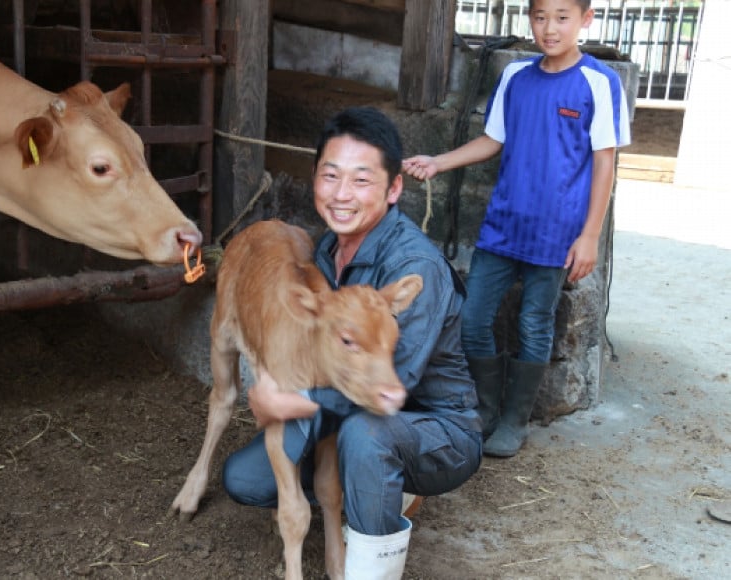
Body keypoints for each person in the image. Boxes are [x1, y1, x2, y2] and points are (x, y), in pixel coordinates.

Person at [222, 106, 482, 579]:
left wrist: (289, 402)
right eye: (330, 176)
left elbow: (388, 386)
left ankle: (371, 562)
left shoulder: (413, 267)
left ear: (394, 188)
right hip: (347, 406)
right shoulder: (327, 249)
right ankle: (360, 485)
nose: (342, 195)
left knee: (365, 435)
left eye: (361, 180)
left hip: (431, 425)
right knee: (245, 479)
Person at [403, 0, 630, 458]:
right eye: (541, 17)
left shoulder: (598, 82)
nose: (550, 28)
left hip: (557, 231)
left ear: (585, 20)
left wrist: (589, 236)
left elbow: (605, 162)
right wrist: (437, 162)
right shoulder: (515, 76)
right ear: (530, 18)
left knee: (533, 321)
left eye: (563, 18)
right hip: (504, 223)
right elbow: (493, 140)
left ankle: (514, 419)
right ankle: (486, 410)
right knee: (473, 319)